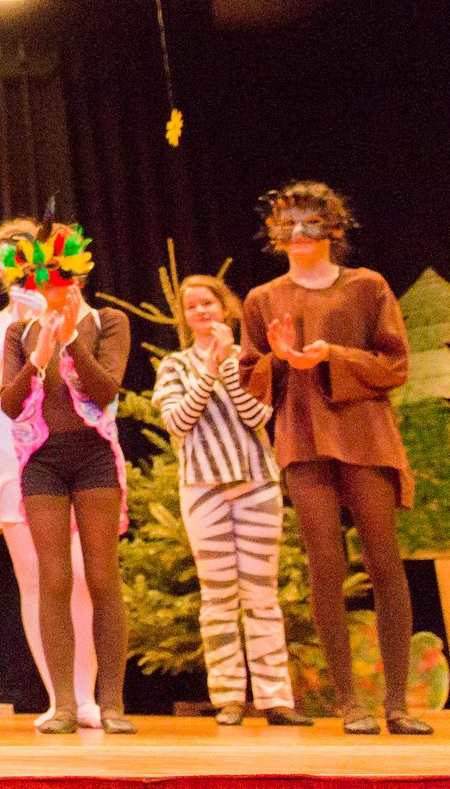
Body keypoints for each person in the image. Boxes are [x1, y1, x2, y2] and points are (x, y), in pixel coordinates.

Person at [239, 182, 429, 735]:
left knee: (384, 562)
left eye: (311, 221)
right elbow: (251, 379)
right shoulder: (262, 299)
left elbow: (394, 366)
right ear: (275, 234)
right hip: (302, 437)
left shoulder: (367, 286)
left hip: (363, 434)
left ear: (334, 228)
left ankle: (397, 704)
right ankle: (349, 703)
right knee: (325, 566)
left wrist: (333, 355)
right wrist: (280, 359)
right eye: (288, 223)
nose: (299, 232)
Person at [0, 221, 135, 735]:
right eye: (40, 279)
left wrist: (72, 340)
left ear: (76, 277)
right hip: (43, 462)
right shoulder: (19, 333)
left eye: (59, 277)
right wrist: (37, 357)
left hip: (93, 456)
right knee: (52, 578)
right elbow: (10, 405)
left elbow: (106, 391)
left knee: (101, 576)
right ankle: (64, 706)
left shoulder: (108, 321)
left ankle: (112, 703)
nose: (50, 287)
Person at [153, 274, 309, 728]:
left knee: (261, 594)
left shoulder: (249, 361)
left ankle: (275, 699)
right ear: (185, 317)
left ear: (225, 308)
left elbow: (257, 415)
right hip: (202, 488)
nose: (201, 311)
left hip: (256, 483)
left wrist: (227, 368)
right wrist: (207, 371)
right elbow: (178, 422)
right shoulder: (175, 366)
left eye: (208, 303)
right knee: (218, 596)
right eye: (192, 306)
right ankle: (228, 698)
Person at [0, 217, 101, 729]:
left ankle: (85, 696)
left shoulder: (71, 311)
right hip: (9, 444)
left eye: (25, 253)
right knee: (36, 578)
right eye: (6, 256)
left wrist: (47, 319)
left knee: (80, 575)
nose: (17, 264)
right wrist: (16, 328)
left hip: (67, 441)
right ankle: (58, 697)